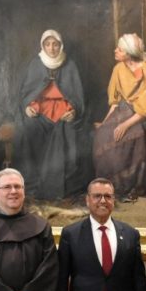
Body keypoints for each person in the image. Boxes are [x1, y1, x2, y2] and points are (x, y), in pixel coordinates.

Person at [14, 29, 86, 200]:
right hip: (41, 110)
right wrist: (28, 107)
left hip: (63, 110)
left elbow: (77, 95)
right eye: (48, 44)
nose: (52, 48)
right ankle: (34, 180)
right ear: (43, 46)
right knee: (29, 127)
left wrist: (73, 110)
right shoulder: (35, 64)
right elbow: (27, 92)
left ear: (61, 46)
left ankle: (65, 183)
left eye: (55, 44)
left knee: (70, 130)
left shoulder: (70, 65)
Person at [93, 33, 146, 202]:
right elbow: (115, 103)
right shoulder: (118, 69)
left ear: (129, 52)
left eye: (119, 49)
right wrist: (105, 123)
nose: (115, 50)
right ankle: (110, 185)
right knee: (103, 135)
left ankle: (131, 185)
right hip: (124, 112)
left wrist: (125, 125)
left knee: (128, 137)